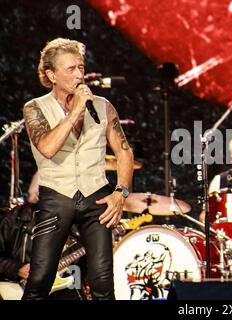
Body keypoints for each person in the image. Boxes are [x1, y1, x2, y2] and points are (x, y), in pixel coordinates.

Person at [22, 38, 134, 300]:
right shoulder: (35, 108)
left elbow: (124, 152)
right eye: (70, 69)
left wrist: (121, 192)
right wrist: (74, 111)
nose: (79, 74)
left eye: (81, 68)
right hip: (57, 197)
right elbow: (47, 148)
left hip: (97, 196)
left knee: (104, 282)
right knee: (39, 278)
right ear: (51, 75)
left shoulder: (103, 106)